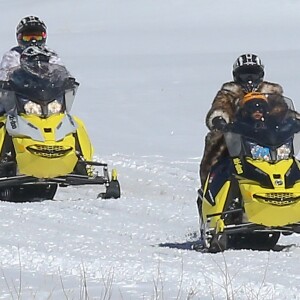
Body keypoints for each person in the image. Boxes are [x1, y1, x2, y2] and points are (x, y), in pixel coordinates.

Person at [199, 54, 284, 188]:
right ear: (236, 76)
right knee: (215, 151)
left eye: (253, 75)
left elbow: (282, 110)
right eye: (244, 75)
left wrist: (292, 121)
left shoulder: (272, 94)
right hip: (235, 136)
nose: (249, 80)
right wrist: (220, 119)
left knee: (289, 160)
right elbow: (221, 106)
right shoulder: (229, 93)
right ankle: (211, 189)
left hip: (267, 137)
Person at [0, 16, 67, 81]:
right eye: (27, 38)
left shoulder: (49, 54)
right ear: (19, 37)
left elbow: (60, 70)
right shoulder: (13, 54)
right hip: (20, 90)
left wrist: (66, 80)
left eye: (38, 37)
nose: (33, 41)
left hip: (47, 89)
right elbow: (5, 74)